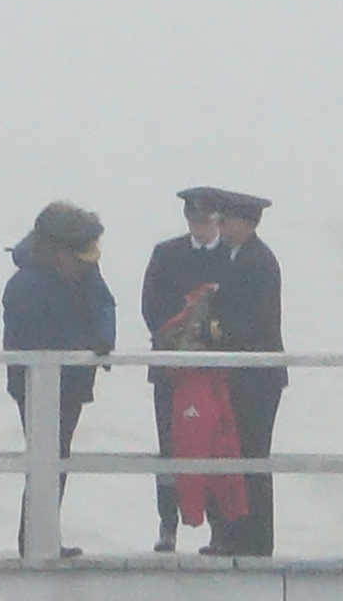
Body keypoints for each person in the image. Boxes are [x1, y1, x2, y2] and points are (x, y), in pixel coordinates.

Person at [1, 201, 115, 558]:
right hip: (33, 388)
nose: (86, 262)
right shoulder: (23, 285)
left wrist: (103, 341)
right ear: (57, 252)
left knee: (59, 458)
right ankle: (33, 539)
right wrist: (79, 346)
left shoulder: (87, 273)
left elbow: (105, 306)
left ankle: (42, 534)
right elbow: (32, 340)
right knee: (44, 459)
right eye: (78, 254)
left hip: (75, 385)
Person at [140, 186, 230, 552]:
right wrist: (178, 339)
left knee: (216, 446)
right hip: (171, 370)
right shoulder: (166, 254)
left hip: (214, 372)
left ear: (218, 220)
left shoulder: (231, 257)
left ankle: (219, 529)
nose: (199, 228)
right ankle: (167, 526)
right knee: (169, 446)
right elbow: (151, 309)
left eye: (205, 221)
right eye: (193, 221)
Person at [207, 190, 284, 557]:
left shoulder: (259, 261)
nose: (220, 226)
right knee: (230, 456)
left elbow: (254, 322)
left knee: (253, 457)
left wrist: (217, 331)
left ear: (248, 223)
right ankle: (231, 535)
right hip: (234, 375)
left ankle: (257, 541)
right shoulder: (229, 257)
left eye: (227, 220)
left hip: (258, 377)